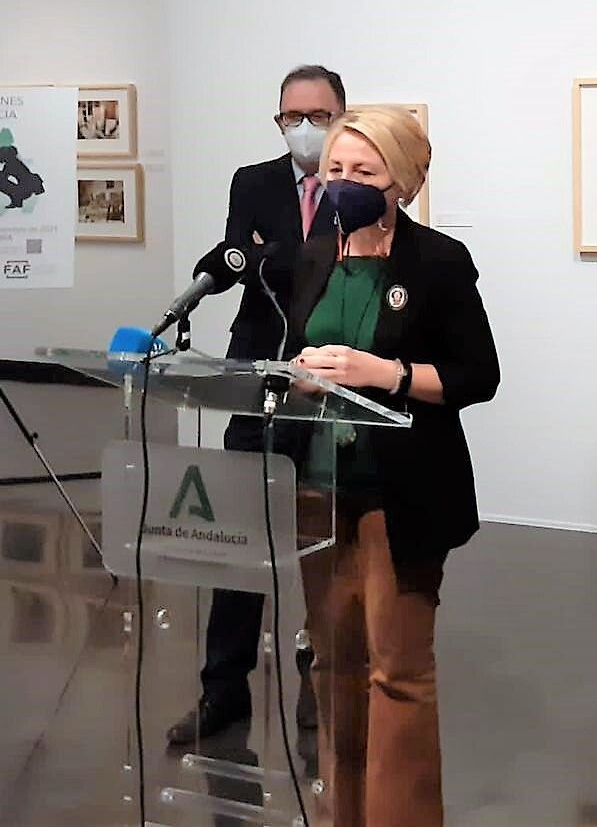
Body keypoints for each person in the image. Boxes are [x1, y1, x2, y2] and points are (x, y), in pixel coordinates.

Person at [290, 105, 499, 827]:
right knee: (333, 667)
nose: (344, 183)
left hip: (400, 492)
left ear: (403, 182)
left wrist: (383, 372)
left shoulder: (438, 262)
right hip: (316, 486)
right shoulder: (316, 253)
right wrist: (296, 375)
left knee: (397, 672)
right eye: (335, 170)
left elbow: (477, 376)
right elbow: (291, 347)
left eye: (364, 172)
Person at [167, 63, 346, 746]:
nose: (303, 130)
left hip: (332, 378)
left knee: (321, 535)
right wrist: (247, 261)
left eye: (317, 116)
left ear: (341, 115)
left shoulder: (363, 182)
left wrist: (275, 255)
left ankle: (318, 666)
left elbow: (328, 265)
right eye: (289, 118)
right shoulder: (256, 182)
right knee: (240, 534)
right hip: (258, 373)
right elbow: (244, 257)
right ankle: (223, 690)